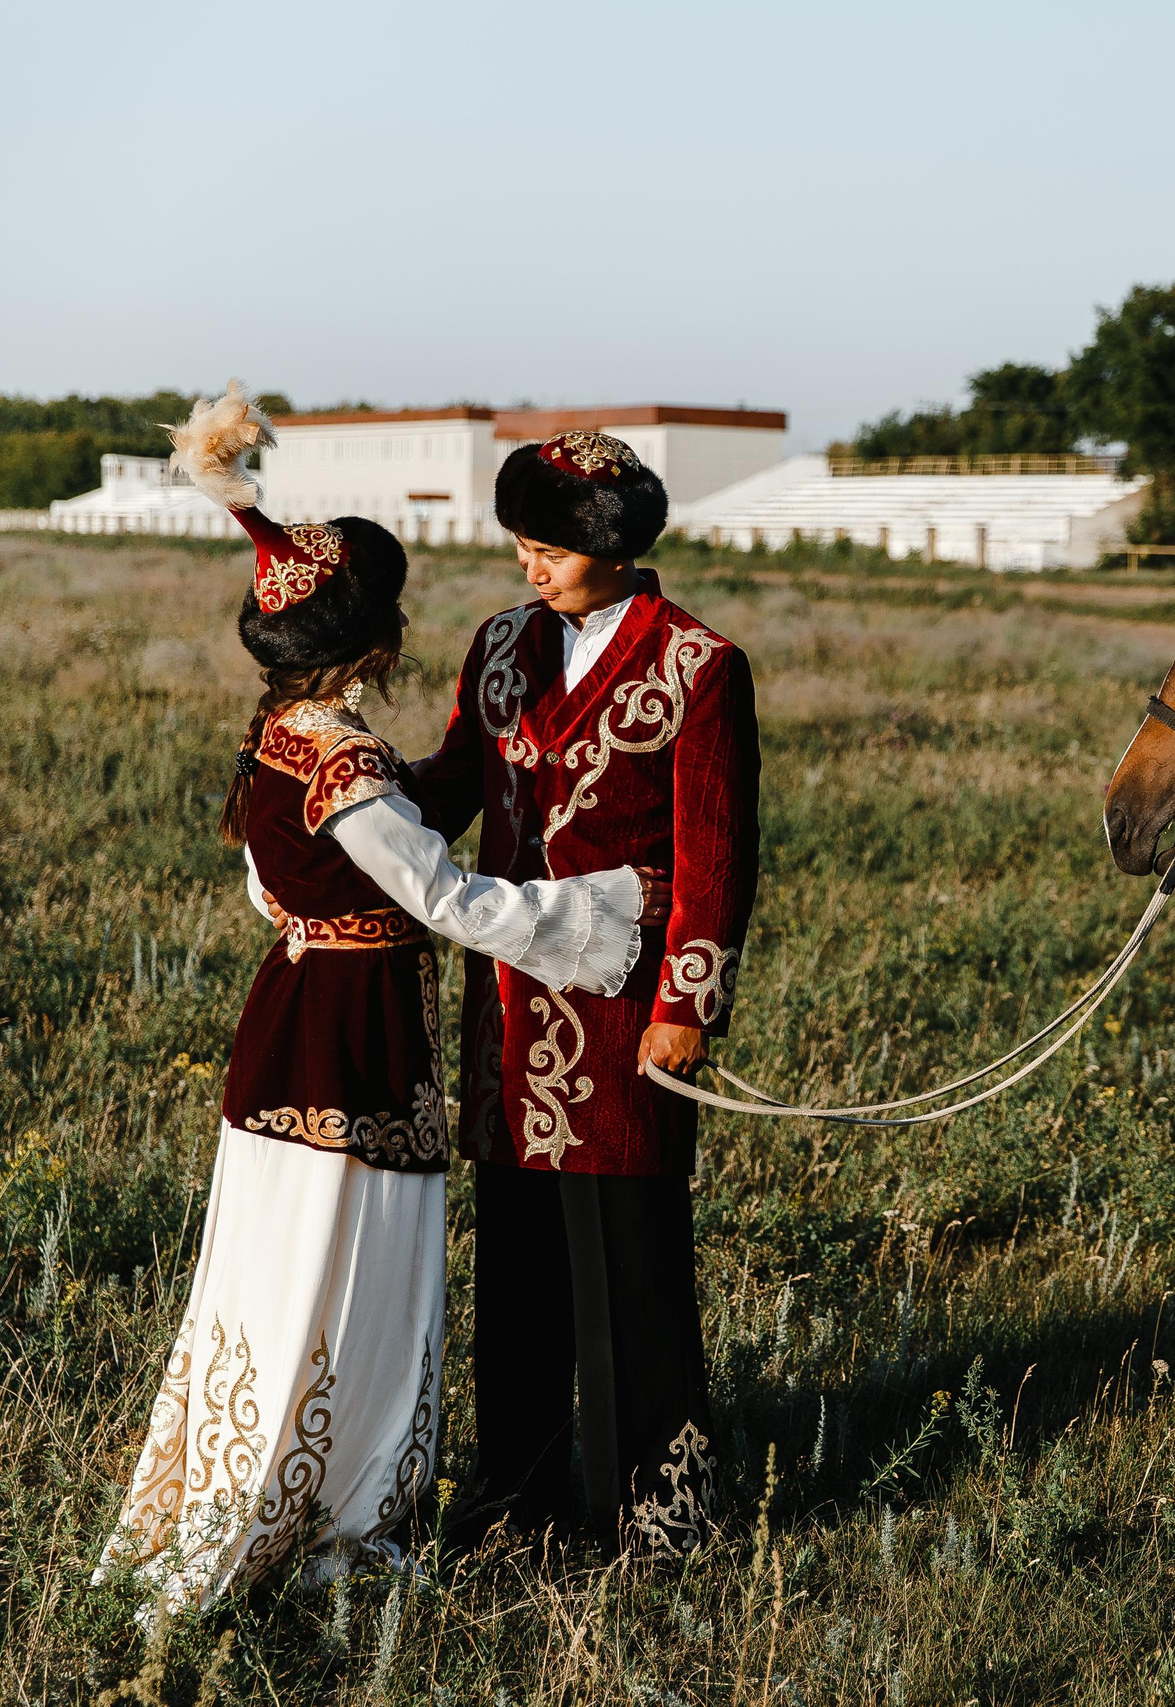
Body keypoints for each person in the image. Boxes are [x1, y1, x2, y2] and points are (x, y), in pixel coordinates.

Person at [97, 387, 649, 1616]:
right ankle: (328, 1531)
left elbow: (264, 888)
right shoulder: (346, 758)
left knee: (270, 1265)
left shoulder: (272, 743)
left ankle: (242, 1497)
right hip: (355, 1039)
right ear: (379, 636)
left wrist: (328, 921)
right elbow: (446, 894)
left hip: (285, 1017)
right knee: (352, 1272)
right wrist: (597, 919)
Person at [411, 427, 759, 1558]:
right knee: (513, 1274)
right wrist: (343, 788)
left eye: (550, 546)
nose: (529, 563)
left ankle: (654, 1516)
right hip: (507, 1012)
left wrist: (687, 1006)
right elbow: (454, 784)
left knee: (630, 1269)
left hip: (623, 1015)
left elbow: (716, 858)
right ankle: (512, 1498)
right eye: (519, 542)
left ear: (612, 545)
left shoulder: (700, 667)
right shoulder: (499, 646)